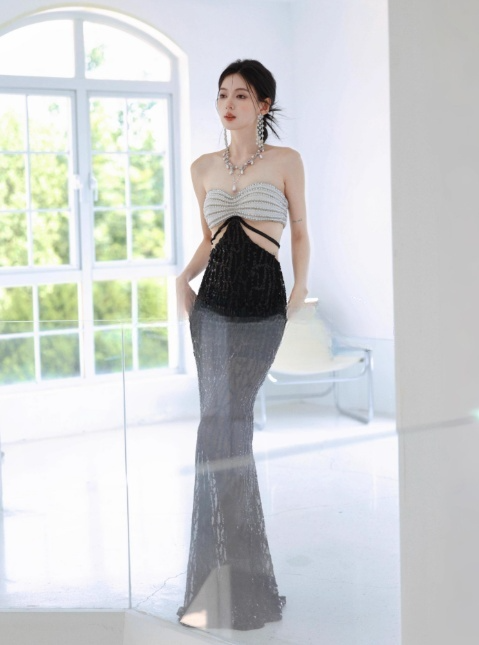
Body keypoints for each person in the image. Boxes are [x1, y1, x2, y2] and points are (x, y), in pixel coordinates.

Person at [176, 59, 310, 631]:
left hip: (261, 304)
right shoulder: (202, 168)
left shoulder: (286, 161)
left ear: (263, 105)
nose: (228, 104)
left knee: (231, 427)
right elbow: (210, 239)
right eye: (222, 94)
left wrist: (299, 289)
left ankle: (245, 586)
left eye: (242, 95)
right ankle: (215, 587)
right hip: (210, 306)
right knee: (216, 428)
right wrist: (181, 280)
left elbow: (298, 229)